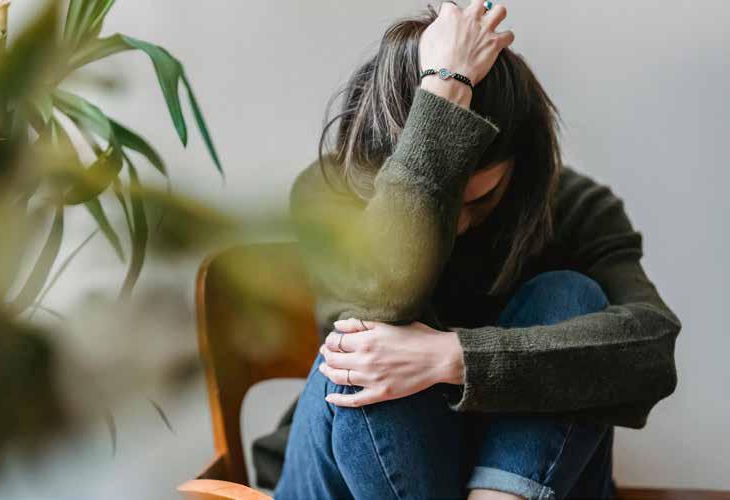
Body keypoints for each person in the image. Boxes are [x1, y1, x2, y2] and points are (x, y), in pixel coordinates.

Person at [255, 1, 681, 499]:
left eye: (479, 200)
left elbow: (651, 348)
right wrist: (446, 88)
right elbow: (380, 302)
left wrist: (454, 357)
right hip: (348, 477)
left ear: (520, 166)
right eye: (443, 198)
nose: (457, 223)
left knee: (569, 295)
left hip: (510, 483)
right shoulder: (329, 191)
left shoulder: (570, 205)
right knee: (366, 345)